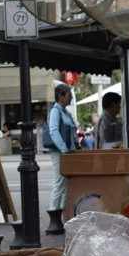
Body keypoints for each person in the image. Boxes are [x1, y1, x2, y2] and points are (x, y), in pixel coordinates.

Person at [48, 83, 78, 213]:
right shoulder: (56, 111)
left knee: (66, 185)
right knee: (60, 184)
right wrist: (64, 149)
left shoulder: (65, 112)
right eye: (68, 95)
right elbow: (53, 130)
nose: (71, 98)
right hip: (60, 153)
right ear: (60, 97)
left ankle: (62, 214)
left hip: (66, 153)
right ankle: (54, 213)